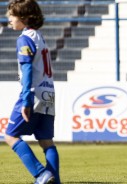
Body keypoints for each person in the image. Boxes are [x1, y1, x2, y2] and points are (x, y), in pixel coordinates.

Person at [4, 0, 60, 183]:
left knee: (10, 136)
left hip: (33, 94)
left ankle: (41, 174)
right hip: (48, 94)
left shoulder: (24, 38)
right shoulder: (39, 37)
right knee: (46, 141)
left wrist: (27, 100)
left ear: (24, 17)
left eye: (11, 15)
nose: (8, 19)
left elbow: (27, 70)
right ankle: (54, 180)